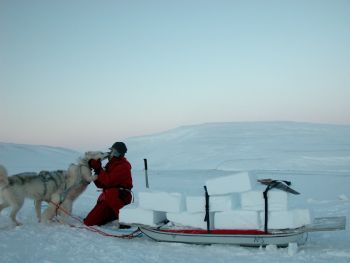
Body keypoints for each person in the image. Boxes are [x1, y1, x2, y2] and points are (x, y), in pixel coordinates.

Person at [84, 141, 133, 227]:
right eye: (111, 151)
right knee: (89, 222)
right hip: (109, 198)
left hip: (120, 198)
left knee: (110, 193)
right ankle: (112, 215)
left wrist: (99, 169)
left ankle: (124, 220)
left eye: (113, 151)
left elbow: (108, 181)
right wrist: (96, 170)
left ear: (118, 154)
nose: (110, 153)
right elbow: (101, 184)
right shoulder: (111, 164)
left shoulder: (123, 166)